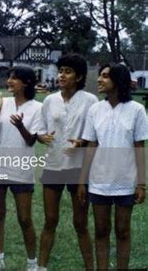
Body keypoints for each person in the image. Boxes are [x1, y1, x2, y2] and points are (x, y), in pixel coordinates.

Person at [78, 63, 148, 269]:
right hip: (99, 181)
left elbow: (139, 148)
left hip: (126, 180)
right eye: (100, 76)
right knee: (101, 230)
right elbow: (90, 146)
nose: (99, 80)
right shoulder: (95, 110)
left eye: (105, 76)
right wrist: (82, 181)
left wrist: (141, 184)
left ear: (118, 80)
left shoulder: (136, 110)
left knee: (123, 230)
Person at [37, 54, 97, 270]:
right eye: (61, 70)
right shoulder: (49, 100)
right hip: (53, 165)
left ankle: (90, 267)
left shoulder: (90, 101)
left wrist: (81, 142)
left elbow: (95, 137)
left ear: (79, 76)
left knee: (80, 224)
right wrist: (41, 137)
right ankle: (41, 266)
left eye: (68, 71)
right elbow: (40, 130)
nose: (62, 75)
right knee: (50, 220)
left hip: (78, 169)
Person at [0, 66, 41, 271]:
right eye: (9, 77)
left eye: (14, 78)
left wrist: (20, 126)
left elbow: (31, 141)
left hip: (21, 169)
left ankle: (32, 263)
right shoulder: (1, 103)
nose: (9, 81)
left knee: (25, 218)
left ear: (26, 83)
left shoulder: (36, 107)